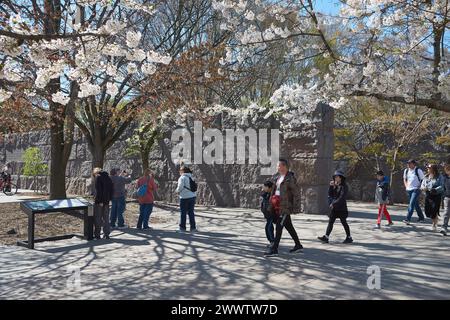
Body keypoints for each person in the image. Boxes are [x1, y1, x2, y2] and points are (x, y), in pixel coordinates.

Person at [264, 159, 303, 257]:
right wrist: (270, 205)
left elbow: (296, 193)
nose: (277, 168)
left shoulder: (290, 178)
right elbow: (273, 191)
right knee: (289, 226)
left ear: (285, 166)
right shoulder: (277, 177)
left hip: (285, 207)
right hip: (276, 205)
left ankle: (274, 249)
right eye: (277, 166)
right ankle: (298, 245)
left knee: (279, 226)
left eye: (279, 166)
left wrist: (296, 207)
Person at [318, 170, 353, 244]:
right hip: (335, 208)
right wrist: (331, 187)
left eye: (337, 176)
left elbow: (342, 197)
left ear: (341, 177)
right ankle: (326, 237)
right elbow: (330, 195)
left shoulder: (344, 186)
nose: (336, 178)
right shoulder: (335, 185)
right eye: (335, 177)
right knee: (331, 221)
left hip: (341, 208)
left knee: (344, 222)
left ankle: (349, 237)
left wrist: (334, 203)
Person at [421, 164, 444, 231]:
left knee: (434, 210)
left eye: (429, 168)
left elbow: (442, 186)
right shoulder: (426, 176)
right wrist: (423, 188)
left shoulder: (439, 176)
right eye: (428, 168)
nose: (428, 169)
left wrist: (435, 189)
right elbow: (422, 185)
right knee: (427, 212)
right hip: (428, 195)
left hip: (436, 195)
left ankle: (434, 224)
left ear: (433, 169)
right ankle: (435, 218)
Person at [403, 159, 426, 225]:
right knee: (415, 204)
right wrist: (406, 186)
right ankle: (421, 217)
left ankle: (408, 219)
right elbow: (404, 179)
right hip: (409, 189)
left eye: (410, 163)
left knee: (411, 203)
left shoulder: (418, 170)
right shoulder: (406, 170)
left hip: (416, 189)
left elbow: (423, 180)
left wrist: (419, 187)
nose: (408, 165)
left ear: (414, 164)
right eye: (408, 163)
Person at [93, 168, 114, 240]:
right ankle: (107, 234)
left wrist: (99, 200)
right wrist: (109, 199)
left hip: (100, 201)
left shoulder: (98, 177)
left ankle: (97, 234)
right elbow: (111, 189)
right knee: (106, 218)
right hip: (107, 201)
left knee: (98, 218)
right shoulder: (108, 177)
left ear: (96, 172)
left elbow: (98, 190)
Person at [176, 166, 197, 233]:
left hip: (184, 197)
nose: (179, 171)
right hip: (192, 197)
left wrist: (176, 191)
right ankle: (193, 228)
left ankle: (182, 228)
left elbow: (180, 187)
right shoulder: (192, 177)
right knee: (191, 212)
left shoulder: (182, 178)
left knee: (183, 213)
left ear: (183, 171)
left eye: (180, 170)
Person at [260, 180, 275, 248]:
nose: (264, 188)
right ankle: (272, 241)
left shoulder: (272, 195)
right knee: (268, 228)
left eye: (265, 187)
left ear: (269, 188)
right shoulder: (266, 194)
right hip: (267, 215)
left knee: (269, 228)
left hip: (272, 215)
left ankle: (273, 242)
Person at [440, 164, 450, 236]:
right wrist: (443, 195)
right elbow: (442, 187)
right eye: (447, 170)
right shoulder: (444, 177)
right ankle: (444, 228)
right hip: (447, 197)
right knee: (446, 212)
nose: (448, 172)